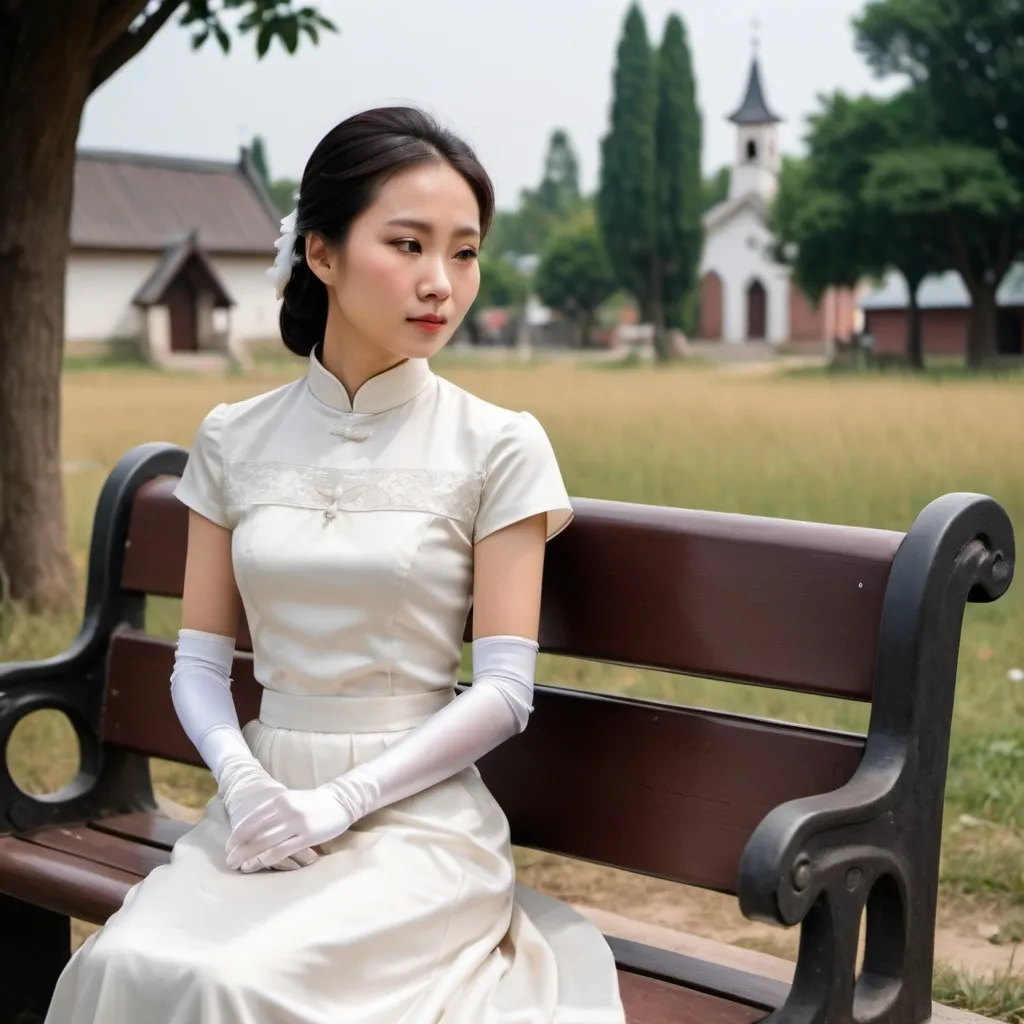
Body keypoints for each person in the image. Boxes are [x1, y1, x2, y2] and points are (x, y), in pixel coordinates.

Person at [44, 106, 625, 1023]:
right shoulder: (235, 437)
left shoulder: (499, 444)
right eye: (408, 244)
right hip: (261, 803)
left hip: (416, 820)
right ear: (321, 252)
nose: (441, 283)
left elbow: (506, 689)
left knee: (236, 984)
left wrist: (343, 801)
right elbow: (198, 662)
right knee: (135, 965)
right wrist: (241, 781)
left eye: (464, 252)